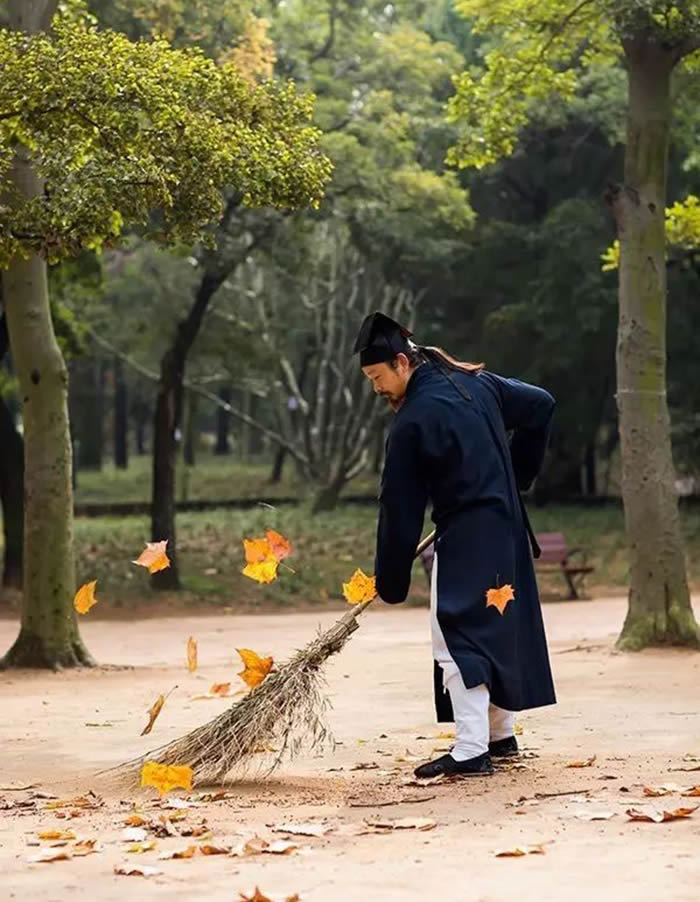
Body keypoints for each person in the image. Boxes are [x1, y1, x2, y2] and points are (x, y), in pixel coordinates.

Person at [354, 311, 556, 779]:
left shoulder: (413, 421)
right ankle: (499, 736)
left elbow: (399, 508)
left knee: (456, 638)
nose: (376, 388)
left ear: (402, 363)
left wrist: (391, 578)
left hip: (465, 539)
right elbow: (541, 405)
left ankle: (470, 750)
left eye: (376, 377)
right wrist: (518, 476)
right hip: (506, 533)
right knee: (496, 629)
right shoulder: (477, 385)